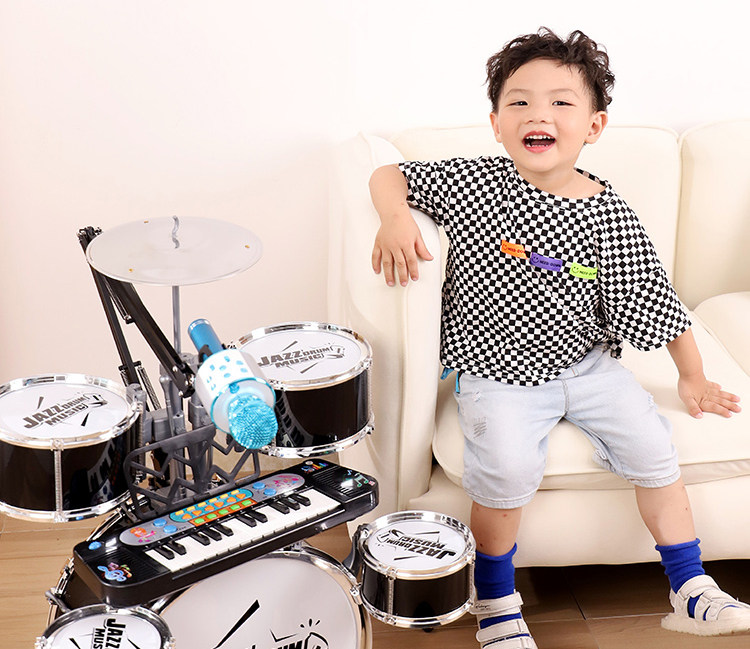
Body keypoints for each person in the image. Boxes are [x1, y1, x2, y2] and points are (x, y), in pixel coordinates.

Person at [368, 27, 746, 649]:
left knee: (655, 450)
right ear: (497, 124)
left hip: (588, 368)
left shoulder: (608, 212)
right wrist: (392, 219)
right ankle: (495, 600)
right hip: (494, 369)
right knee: (505, 467)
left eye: (560, 102)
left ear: (594, 126)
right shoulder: (473, 184)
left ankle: (690, 587)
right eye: (519, 102)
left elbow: (658, 298)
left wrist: (693, 375)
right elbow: (387, 173)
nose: (537, 114)